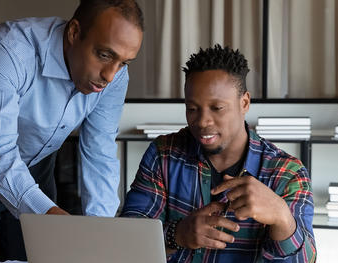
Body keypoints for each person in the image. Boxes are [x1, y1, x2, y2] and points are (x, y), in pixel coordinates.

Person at [0, 0, 143, 261]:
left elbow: (100, 151)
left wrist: (98, 232)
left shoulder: (116, 76)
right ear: (74, 32)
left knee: (37, 258)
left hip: (37, 166)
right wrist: (49, 215)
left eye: (124, 62)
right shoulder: (6, 48)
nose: (111, 75)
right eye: (104, 54)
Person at [121, 45, 316, 262]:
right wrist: (178, 234)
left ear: (244, 103)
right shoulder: (163, 155)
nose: (203, 122)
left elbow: (305, 259)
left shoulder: (287, 173)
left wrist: (282, 218)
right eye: (192, 109)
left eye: (217, 108)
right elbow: (129, 240)